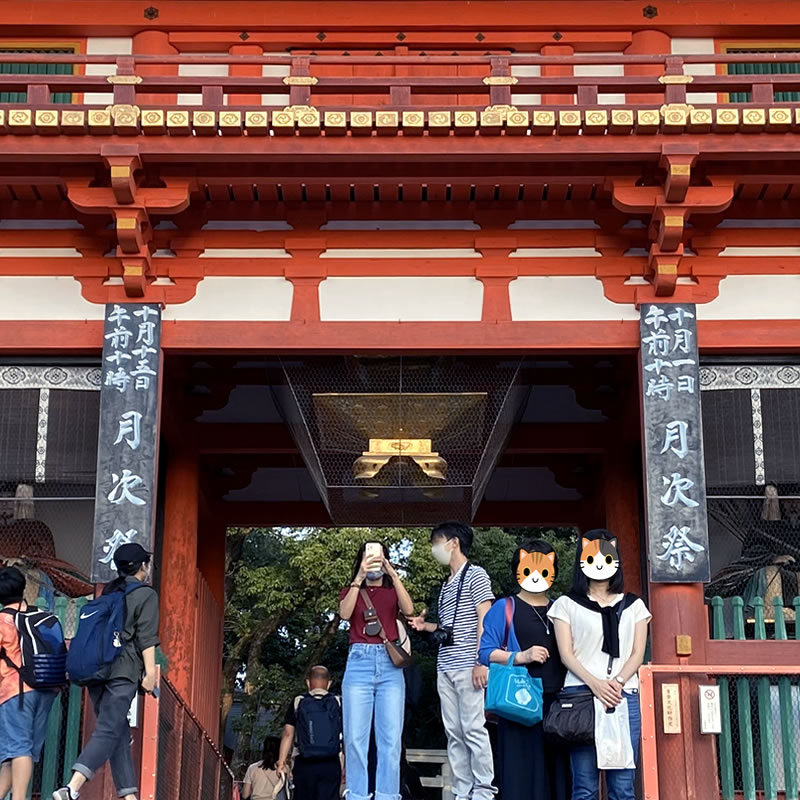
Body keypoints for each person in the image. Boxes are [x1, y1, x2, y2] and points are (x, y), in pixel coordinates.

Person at [548, 530, 651, 800]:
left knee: (623, 787)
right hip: (581, 696)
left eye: (607, 555)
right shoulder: (566, 604)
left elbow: (637, 653)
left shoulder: (634, 606)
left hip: (623, 696)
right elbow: (566, 654)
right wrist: (596, 685)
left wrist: (615, 684)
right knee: (584, 787)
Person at [53, 543, 159, 800]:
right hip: (123, 671)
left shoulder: (108, 596)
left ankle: (130, 797)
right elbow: (146, 638)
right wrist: (150, 674)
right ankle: (71, 788)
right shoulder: (145, 595)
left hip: (97, 671)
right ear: (143, 566)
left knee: (118, 734)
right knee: (109, 730)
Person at [408, 522, 495, 800]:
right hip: (445, 666)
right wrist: (425, 627)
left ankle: (483, 790)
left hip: (469, 664)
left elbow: (487, 618)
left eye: (437, 542)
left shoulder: (476, 575)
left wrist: (482, 661)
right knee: (454, 732)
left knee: (473, 729)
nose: (435, 549)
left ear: (453, 542)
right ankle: (462, 790)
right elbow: (449, 629)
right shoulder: (447, 585)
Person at [478, 539, 570, 800]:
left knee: (557, 776)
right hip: (517, 702)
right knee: (519, 777)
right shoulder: (504, 608)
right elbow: (485, 653)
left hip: (558, 706)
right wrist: (521, 656)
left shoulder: (560, 609)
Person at [338, 542, 414, 800]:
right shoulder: (351, 590)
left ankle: (387, 795)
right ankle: (357, 795)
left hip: (389, 666)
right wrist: (359, 577)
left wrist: (392, 573)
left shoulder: (392, 590)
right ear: (361, 560)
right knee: (355, 738)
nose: (373, 563)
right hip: (359, 660)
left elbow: (409, 609)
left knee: (391, 740)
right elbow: (345, 613)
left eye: (378, 558)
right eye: (368, 558)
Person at [0, 566, 58, 800]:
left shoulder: (3, 620)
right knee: (17, 753)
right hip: (46, 688)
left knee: (18, 749)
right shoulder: (40, 616)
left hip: (16, 692)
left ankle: (19, 798)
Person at [277, 665, 342, 800]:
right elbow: (347, 735)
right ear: (329, 683)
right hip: (331, 763)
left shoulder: (298, 702)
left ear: (308, 682)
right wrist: (347, 764)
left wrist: (281, 762)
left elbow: (288, 734)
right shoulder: (337, 702)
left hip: (304, 763)